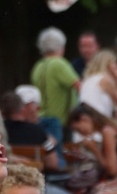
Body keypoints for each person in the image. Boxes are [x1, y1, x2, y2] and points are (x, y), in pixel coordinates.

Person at [30, 27, 80, 167]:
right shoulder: (59, 63)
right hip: (59, 122)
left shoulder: (38, 66)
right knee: (59, 164)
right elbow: (78, 85)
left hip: (40, 119)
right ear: (61, 46)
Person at [78, 49, 117, 119]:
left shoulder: (88, 79)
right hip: (97, 118)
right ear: (107, 64)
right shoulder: (104, 80)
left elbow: (116, 108)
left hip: (86, 116)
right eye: (114, 62)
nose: (116, 65)